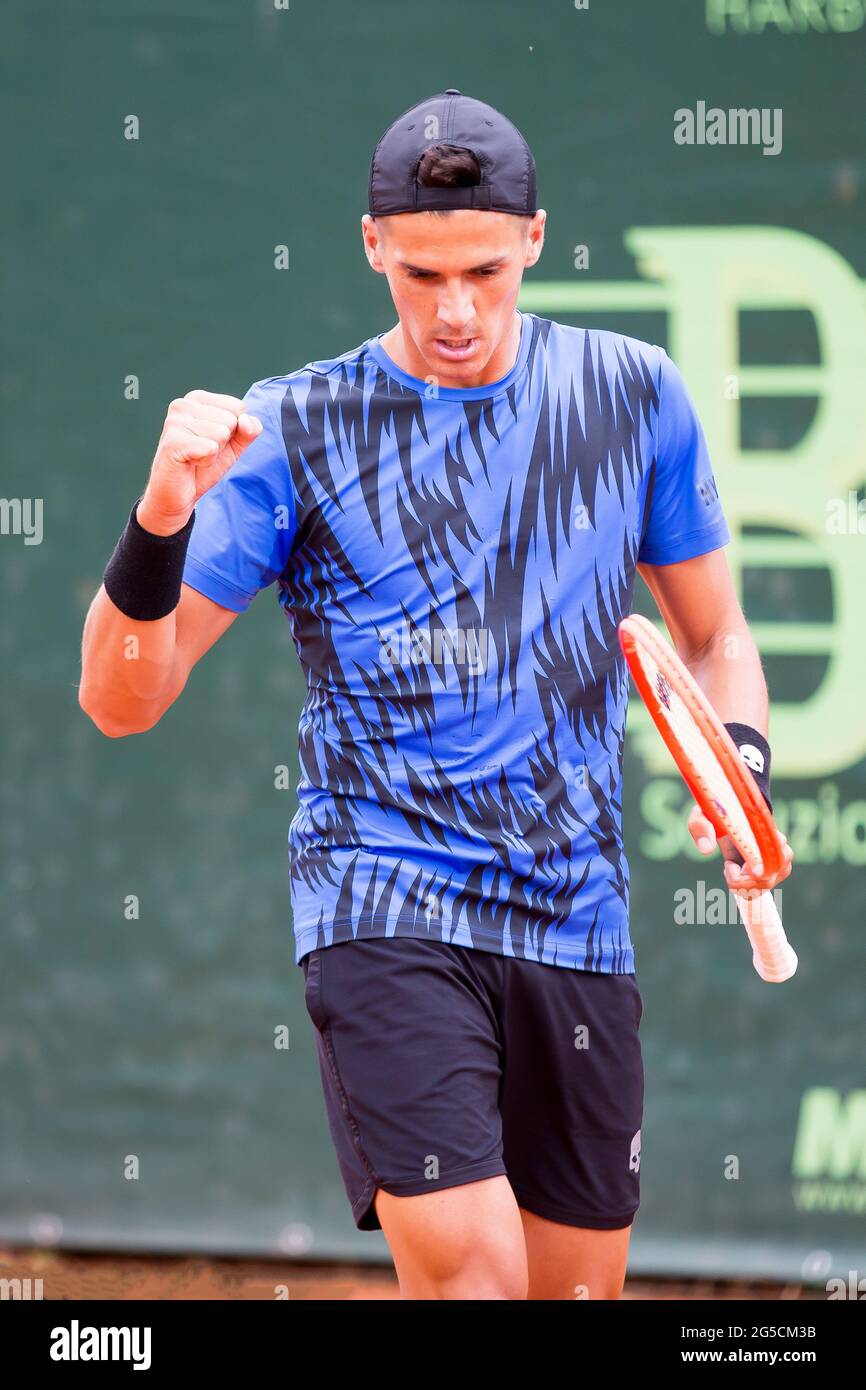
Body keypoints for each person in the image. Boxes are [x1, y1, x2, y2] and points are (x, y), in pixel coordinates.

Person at [78, 89, 793, 1300]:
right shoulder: (294, 426)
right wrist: (156, 521)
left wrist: (741, 769)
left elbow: (716, 634)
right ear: (372, 248)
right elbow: (119, 697)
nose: (453, 309)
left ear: (532, 239)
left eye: (479, 270)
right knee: (471, 1282)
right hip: (385, 898)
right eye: (419, 274)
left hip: (576, 913)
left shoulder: (631, 393)